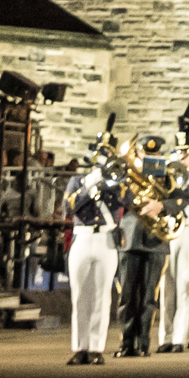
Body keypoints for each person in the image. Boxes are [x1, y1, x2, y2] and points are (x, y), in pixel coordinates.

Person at [60, 149, 125, 364]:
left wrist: (111, 183)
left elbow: (129, 201)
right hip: (82, 237)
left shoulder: (116, 182)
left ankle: (97, 347)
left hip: (106, 240)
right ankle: (80, 347)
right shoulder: (78, 181)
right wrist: (89, 186)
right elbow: (68, 207)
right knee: (79, 297)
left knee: (102, 296)